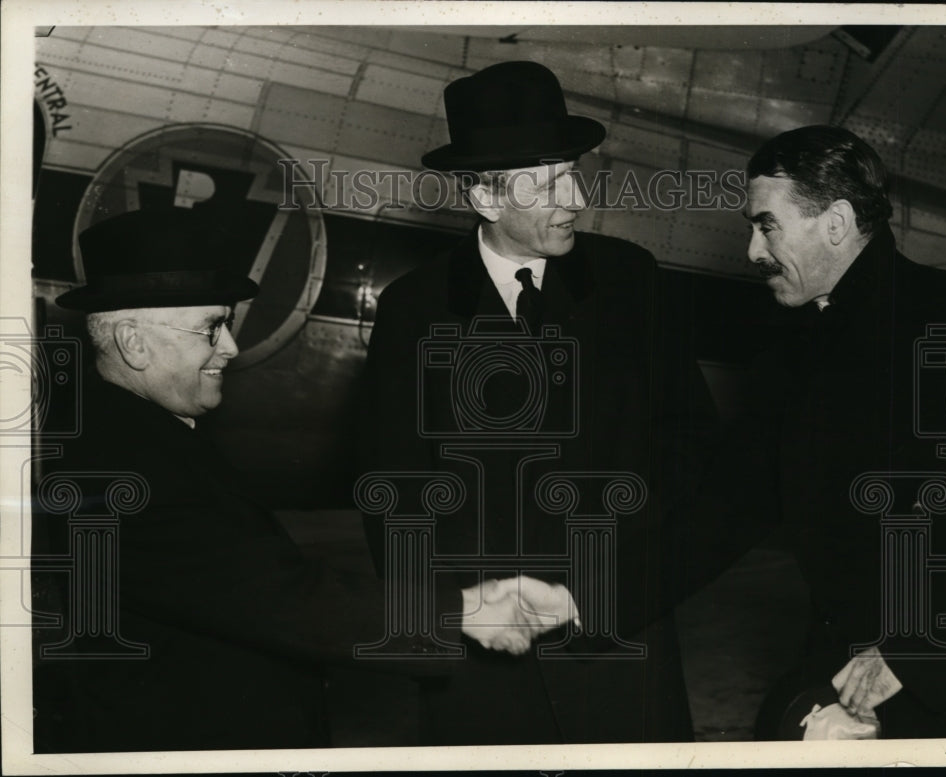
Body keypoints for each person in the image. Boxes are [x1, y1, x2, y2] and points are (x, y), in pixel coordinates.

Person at [32, 207, 576, 753]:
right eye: (210, 327)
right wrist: (466, 611)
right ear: (133, 341)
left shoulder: (138, 435)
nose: (231, 348)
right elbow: (273, 593)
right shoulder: (116, 465)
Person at [359, 61, 717, 745]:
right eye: (553, 183)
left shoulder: (630, 280)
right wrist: (441, 618)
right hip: (486, 661)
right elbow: (394, 489)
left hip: (619, 639)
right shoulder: (413, 310)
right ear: (488, 199)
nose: (577, 197)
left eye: (576, 172)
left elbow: (689, 442)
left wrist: (620, 582)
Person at [739, 125, 946, 738]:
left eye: (767, 225)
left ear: (834, 223)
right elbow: (729, 505)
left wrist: (912, 657)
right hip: (836, 669)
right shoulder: (796, 343)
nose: (752, 251)